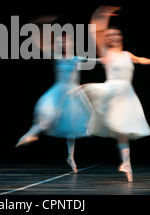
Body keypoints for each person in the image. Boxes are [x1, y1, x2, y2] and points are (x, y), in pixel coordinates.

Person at [82, 6, 150, 182]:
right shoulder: (106, 53)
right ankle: (79, 113)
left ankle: (126, 163)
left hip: (126, 95)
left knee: (123, 131)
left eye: (116, 34)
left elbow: (139, 59)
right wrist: (101, 16)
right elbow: (95, 33)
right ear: (107, 39)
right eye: (109, 35)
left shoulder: (127, 54)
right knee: (86, 90)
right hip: (112, 90)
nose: (113, 37)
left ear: (120, 37)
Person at [15, 16, 93, 173]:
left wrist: (108, 60)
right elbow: (40, 45)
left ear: (71, 43)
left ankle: (70, 156)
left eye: (67, 41)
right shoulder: (57, 57)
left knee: (72, 127)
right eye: (62, 41)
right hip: (58, 92)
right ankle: (31, 134)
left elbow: (95, 60)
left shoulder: (77, 58)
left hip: (72, 93)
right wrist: (35, 29)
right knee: (47, 113)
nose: (64, 43)